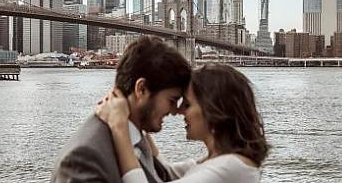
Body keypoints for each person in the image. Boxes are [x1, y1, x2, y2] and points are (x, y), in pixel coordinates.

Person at [50, 36, 192, 183]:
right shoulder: (84, 159)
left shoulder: (137, 137)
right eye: (172, 100)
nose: (175, 111)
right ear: (141, 89)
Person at [96, 64, 270, 183]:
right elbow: (165, 172)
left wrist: (119, 127)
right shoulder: (217, 162)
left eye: (187, 104)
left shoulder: (230, 167)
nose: (178, 111)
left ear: (214, 109)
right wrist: (138, 115)